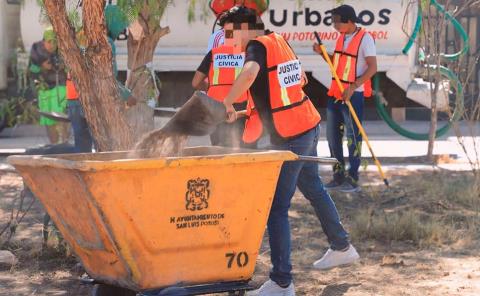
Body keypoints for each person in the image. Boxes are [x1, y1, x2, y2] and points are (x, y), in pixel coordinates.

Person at [222, 7, 359, 296]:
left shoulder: (256, 47)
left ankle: (282, 281)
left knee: (277, 207)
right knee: (313, 187)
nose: (228, 39)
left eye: (230, 33)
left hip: (290, 136)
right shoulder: (278, 41)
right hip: (307, 124)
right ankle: (341, 246)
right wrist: (243, 110)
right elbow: (281, 88)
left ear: (245, 27)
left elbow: (250, 74)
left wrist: (226, 101)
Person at [313, 4, 377, 193]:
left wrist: (354, 86)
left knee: (352, 137)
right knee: (333, 137)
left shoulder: (365, 39)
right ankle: (338, 176)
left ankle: (353, 178)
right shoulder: (341, 37)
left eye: (336, 22)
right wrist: (323, 54)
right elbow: (337, 63)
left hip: (353, 94)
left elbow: (372, 68)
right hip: (336, 93)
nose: (334, 25)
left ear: (349, 21)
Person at [193, 7, 254, 148]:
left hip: (216, 109)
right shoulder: (251, 54)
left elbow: (196, 82)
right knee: (246, 153)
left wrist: (214, 87)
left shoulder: (214, 53)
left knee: (219, 152)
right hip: (243, 109)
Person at [29, 27, 70, 144]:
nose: (52, 45)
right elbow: (31, 69)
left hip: (60, 88)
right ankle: (54, 145)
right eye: (49, 42)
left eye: (55, 41)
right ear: (43, 41)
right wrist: (42, 67)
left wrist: (63, 66)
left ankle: (64, 144)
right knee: (48, 120)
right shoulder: (36, 48)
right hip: (44, 89)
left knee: (62, 117)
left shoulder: (62, 48)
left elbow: (71, 67)